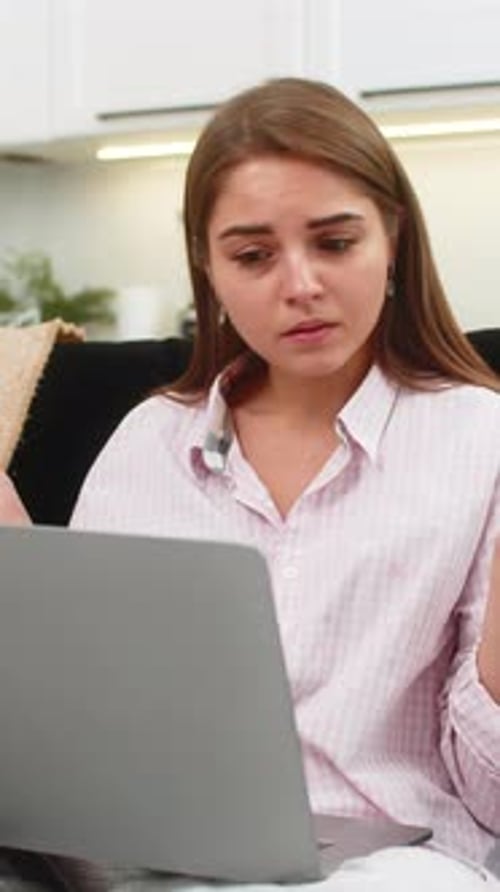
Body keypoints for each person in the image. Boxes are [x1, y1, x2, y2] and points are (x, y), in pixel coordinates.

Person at [69, 77, 499, 889]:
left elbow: (494, 803)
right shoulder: (147, 444)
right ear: (208, 265)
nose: (299, 285)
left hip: (397, 865)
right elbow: (84, 724)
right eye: (253, 256)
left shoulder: (480, 440)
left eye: (334, 243)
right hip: (160, 855)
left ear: (393, 237)